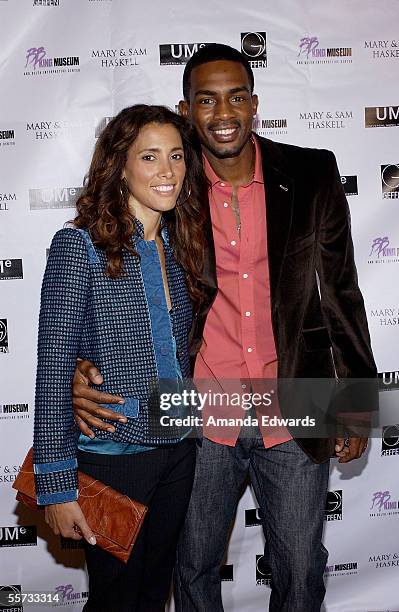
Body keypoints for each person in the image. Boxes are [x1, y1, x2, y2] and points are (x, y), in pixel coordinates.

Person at [70, 45, 377, 611]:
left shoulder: (311, 174)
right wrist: (78, 365)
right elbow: (113, 274)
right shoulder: (170, 185)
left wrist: (356, 403)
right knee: (192, 569)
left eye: (236, 96)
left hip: (294, 406)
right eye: (206, 100)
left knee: (302, 570)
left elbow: (341, 291)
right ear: (187, 110)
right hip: (199, 413)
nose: (223, 112)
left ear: (255, 103)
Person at [32, 104, 208, 612]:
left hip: (178, 452)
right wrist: (58, 484)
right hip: (113, 458)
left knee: (154, 594)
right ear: (120, 165)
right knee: (115, 600)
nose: (168, 171)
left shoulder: (181, 244)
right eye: (149, 157)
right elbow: (54, 366)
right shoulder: (78, 246)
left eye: (176, 156)